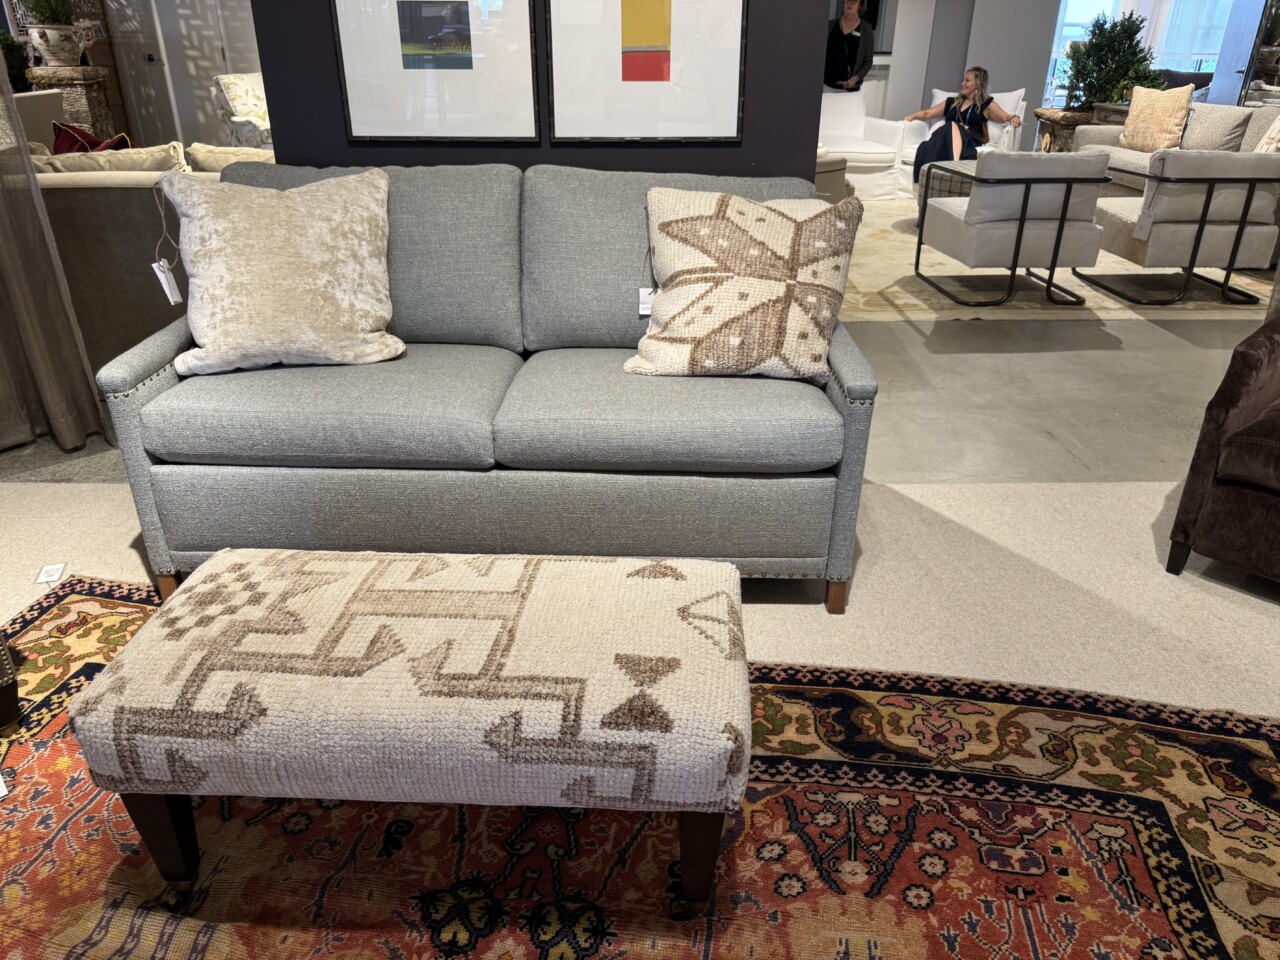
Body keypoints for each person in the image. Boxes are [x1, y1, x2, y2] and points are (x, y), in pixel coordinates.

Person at [905, 67, 1022, 183]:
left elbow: (1005, 117)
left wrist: (1014, 118)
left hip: (968, 142)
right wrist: (912, 117)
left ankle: (953, 171)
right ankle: (954, 169)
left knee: (952, 125)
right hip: (944, 139)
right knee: (944, 131)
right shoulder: (952, 102)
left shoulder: (985, 105)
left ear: (978, 84)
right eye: (963, 80)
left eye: (967, 80)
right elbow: (927, 113)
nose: (962, 83)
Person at [825, 0, 875, 92]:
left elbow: (868, 61)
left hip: (850, 88)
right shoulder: (830, 25)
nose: (849, 3)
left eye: (853, 1)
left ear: (860, 5)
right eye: (847, 0)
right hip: (828, 85)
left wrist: (857, 77)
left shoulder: (866, 29)